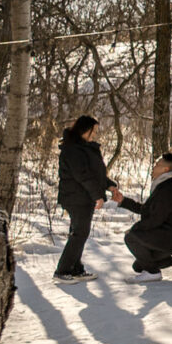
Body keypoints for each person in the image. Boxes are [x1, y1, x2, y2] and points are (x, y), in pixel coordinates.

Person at [113, 152, 172, 282]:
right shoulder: (164, 184)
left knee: (131, 237)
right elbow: (148, 210)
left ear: (165, 169)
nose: (153, 167)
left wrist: (135, 230)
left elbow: (155, 219)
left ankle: (153, 273)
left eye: (157, 164)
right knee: (138, 266)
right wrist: (123, 201)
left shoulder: (168, 188)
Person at [53, 115, 109, 282]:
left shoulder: (85, 147)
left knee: (78, 232)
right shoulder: (73, 149)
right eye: (94, 130)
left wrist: (110, 185)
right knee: (80, 233)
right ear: (85, 130)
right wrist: (97, 195)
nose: (95, 134)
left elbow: (95, 173)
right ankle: (62, 271)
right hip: (76, 197)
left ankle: (76, 269)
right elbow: (82, 175)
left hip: (83, 197)